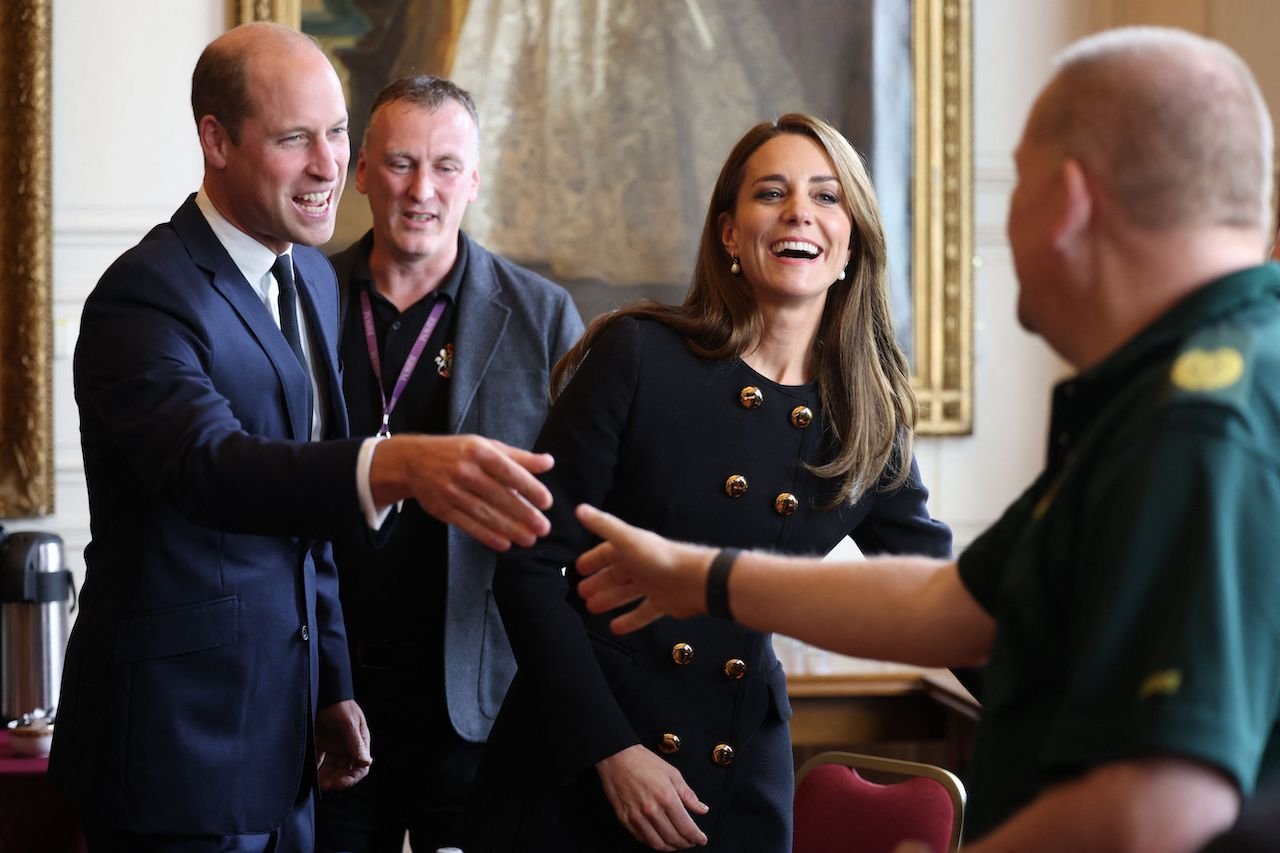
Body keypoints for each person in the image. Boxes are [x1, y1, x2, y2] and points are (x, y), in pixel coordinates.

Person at [573, 26, 1280, 853]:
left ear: (1071, 201)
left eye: (1017, 183)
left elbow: (1159, 808)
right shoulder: (1171, 394)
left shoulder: (1203, 421)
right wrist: (701, 577)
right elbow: (960, 607)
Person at [51, 23, 555, 852]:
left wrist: (331, 686)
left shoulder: (312, 276)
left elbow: (305, 529)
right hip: (175, 749)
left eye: (336, 133)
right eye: (295, 139)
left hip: (292, 751)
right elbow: (209, 466)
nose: (328, 166)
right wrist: (396, 465)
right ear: (216, 140)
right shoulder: (143, 296)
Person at [468, 112, 951, 852]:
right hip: (575, 762)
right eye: (772, 193)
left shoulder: (866, 419)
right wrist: (613, 750)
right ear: (729, 233)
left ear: (851, 241)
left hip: (732, 774)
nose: (800, 212)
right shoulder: (637, 356)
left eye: (827, 197)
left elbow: (944, 595)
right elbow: (527, 566)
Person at [314, 76, 584, 853]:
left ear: (474, 178)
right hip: (329, 699)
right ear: (360, 170)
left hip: (478, 704)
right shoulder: (302, 297)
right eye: (399, 163)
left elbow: (572, 515)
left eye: (444, 166)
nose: (421, 189)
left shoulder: (543, 316)